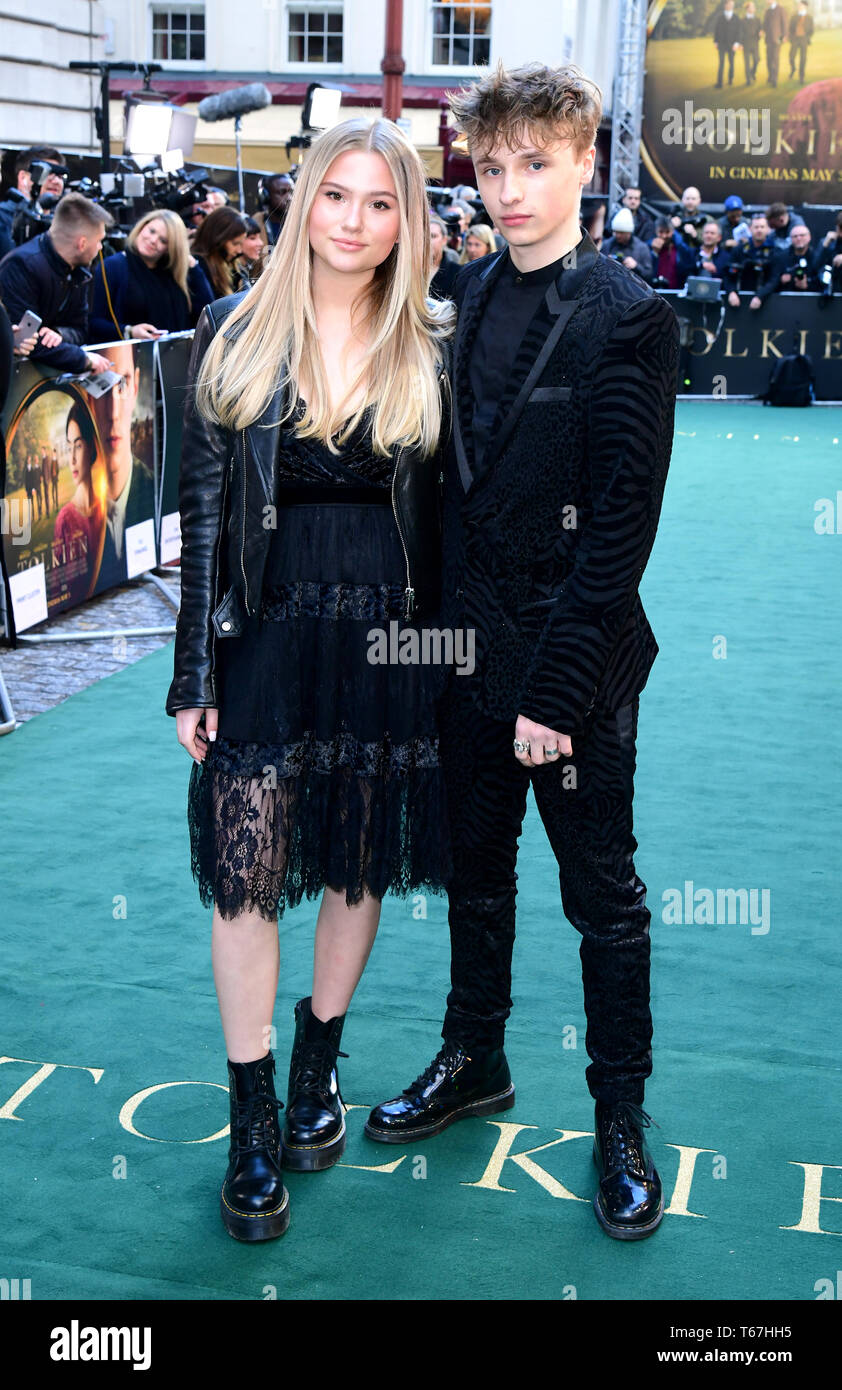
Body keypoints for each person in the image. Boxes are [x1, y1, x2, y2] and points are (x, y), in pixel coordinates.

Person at [365, 60, 680, 1243]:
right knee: (476, 879)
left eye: (533, 166)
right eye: (490, 168)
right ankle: (476, 1059)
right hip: (460, 659)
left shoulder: (629, 316)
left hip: (574, 667)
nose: (507, 190)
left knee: (601, 897)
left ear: (584, 165)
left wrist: (551, 690)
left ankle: (617, 1119)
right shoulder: (458, 301)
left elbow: (618, 529)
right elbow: (441, 505)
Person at [164, 116, 455, 1244]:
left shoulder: (429, 335)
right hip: (265, 631)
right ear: (303, 204)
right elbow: (203, 514)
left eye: (380, 203)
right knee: (246, 868)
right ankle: (249, 1115)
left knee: (354, 855)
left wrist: (450, 663)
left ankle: (317, 1063)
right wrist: (194, 671)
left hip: (388, 634)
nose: (354, 221)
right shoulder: (230, 327)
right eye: (336, 195)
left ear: (406, 221)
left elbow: (449, 529)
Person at [0, 191, 113, 375]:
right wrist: (83, 359)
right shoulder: (21, 266)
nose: (101, 248)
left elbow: (81, 330)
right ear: (82, 243)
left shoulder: (79, 272)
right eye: (99, 241)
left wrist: (59, 334)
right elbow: (25, 342)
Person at [90, 208, 215, 343]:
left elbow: (207, 314)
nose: (153, 240)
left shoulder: (174, 271)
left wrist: (193, 267)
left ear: (171, 247)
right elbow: (95, 322)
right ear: (142, 227)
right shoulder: (113, 266)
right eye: (152, 231)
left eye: (163, 240)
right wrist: (129, 330)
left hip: (174, 355)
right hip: (130, 357)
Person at [90, 339, 156, 588]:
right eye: (102, 386)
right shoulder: (77, 517)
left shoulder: (152, 491)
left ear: (137, 385)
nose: (113, 411)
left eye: (123, 383)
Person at [53, 399, 106, 605]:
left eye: (78, 446)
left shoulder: (105, 508)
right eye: (69, 447)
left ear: (92, 446)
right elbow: (59, 590)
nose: (72, 459)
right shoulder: (65, 519)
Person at [726, 212, 785, 308]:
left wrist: (760, 296)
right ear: (750, 229)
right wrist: (731, 291)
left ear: (768, 229)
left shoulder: (775, 251)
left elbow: (774, 279)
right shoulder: (740, 249)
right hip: (739, 299)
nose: (759, 230)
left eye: (762, 227)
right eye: (756, 227)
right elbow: (728, 273)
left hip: (766, 301)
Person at [190, 206, 248, 298]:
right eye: (235, 243)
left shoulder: (233, 266)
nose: (239, 250)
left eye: (241, 244)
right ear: (218, 239)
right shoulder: (199, 265)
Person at [601, 207, 654, 283]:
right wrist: (606, 263)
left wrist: (636, 266)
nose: (618, 235)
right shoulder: (607, 245)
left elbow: (649, 276)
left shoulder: (641, 248)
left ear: (629, 232)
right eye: (616, 232)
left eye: (621, 232)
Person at [254, 174, 294, 249]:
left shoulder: (301, 223)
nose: (289, 198)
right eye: (282, 192)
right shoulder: (256, 224)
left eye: (291, 192)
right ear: (266, 196)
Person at [776, 223, 820, 292]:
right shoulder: (781, 257)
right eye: (795, 236)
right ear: (790, 239)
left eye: (802, 235)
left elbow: (822, 284)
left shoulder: (817, 257)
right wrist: (780, 280)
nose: (799, 238)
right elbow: (772, 281)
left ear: (809, 237)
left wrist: (807, 285)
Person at [429, 213, 460, 299]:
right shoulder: (407, 270)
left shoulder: (457, 273)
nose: (427, 241)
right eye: (423, 236)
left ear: (444, 240)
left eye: (433, 236)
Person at [713, 2, 742, 88]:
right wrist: (716, 41)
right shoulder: (720, 17)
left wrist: (737, 43)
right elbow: (716, 30)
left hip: (732, 44)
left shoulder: (736, 18)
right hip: (721, 44)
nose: (730, 6)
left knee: (731, 63)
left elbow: (739, 32)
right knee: (721, 62)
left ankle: (730, 79)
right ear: (725, 5)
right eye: (729, 4)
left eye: (732, 4)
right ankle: (719, 82)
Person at [234, 217, 267, 290]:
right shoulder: (233, 275)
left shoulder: (246, 269)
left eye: (259, 237)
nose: (261, 243)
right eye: (252, 238)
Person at [763, 0, 787, 87]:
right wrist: (762, 30)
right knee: (769, 59)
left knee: (775, 59)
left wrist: (784, 36)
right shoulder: (767, 11)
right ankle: (770, 76)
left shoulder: (781, 9)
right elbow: (765, 24)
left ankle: (774, 79)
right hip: (768, 39)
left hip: (778, 39)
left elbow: (784, 23)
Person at [788, 3, 813, 83]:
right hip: (795, 39)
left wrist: (807, 38)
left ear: (805, 7)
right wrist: (791, 38)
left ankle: (801, 77)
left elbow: (811, 30)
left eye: (801, 5)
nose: (799, 7)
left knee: (803, 59)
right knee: (791, 57)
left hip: (804, 39)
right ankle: (793, 68)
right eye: (799, 5)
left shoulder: (809, 18)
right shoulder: (794, 17)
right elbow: (790, 28)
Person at [741, 2, 761, 83]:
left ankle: (752, 73)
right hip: (746, 43)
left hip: (755, 43)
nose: (754, 8)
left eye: (754, 7)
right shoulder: (742, 20)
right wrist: (740, 43)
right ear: (747, 9)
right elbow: (740, 32)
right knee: (747, 63)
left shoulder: (758, 19)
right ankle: (748, 80)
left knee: (757, 60)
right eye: (752, 7)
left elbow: (760, 29)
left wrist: (760, 33)